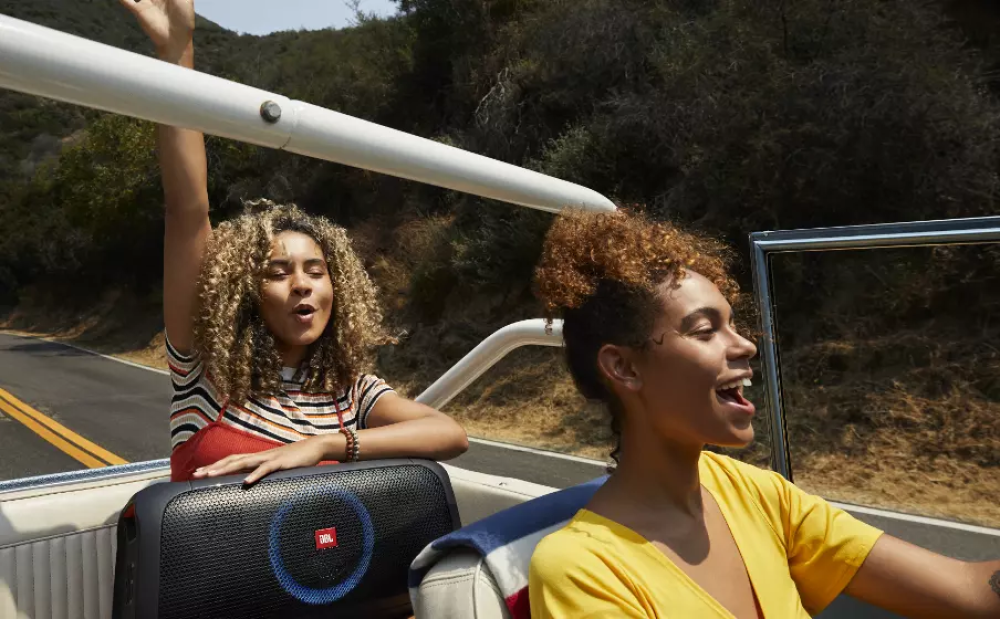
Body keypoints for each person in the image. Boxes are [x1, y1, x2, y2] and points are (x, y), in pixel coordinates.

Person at [528, 209, 1000, 618]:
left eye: (734, 324)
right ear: (625, 368)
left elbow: (969, 592)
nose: (746, 345)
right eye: (705, 331)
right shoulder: (583, 571)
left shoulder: (756, 492)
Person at [119, 0, 468, 484]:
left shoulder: (349, 393)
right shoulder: (206, 373)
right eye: (278, 273)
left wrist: (324, 444)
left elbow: (449, 434)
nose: (302, 284)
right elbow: (188, 210)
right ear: (247, 294)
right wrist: (178, 51)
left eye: (316, 271)